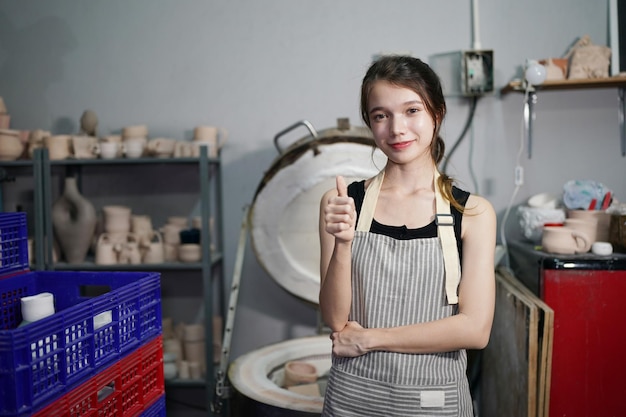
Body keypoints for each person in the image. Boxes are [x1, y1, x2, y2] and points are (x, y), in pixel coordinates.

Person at [318, 55, 496, 416]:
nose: (397, 129)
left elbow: (475, 329)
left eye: (412, 110)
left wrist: (371, 338)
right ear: (370, 123)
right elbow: (336, 319)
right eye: (381, 115)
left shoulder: (473, 213)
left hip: (435, 401)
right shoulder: (342, 202)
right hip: (354, 398)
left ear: (437, 114)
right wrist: (343, 243)